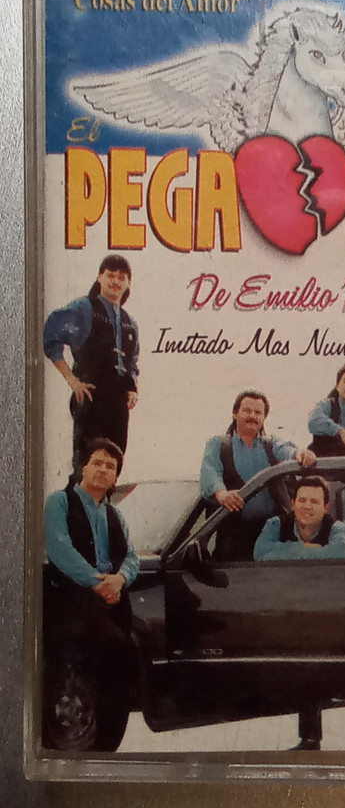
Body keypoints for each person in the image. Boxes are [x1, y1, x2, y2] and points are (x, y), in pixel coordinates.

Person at [43, 438, 139, 749]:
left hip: (110, 604)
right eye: (97, 462)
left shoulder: (114, 514)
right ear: (83, 467)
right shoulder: (59, 502)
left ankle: (106, 747)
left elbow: (132, 557)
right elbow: (59, 549)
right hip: (69, 602)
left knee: (119, 672)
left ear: (115, 477)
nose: (103, 469)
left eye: (111, 466)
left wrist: (120, 579)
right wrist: (97, 583)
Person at [254, 476, 345, 750]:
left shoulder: (336, 528)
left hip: (321, 609)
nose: (308, 506)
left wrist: (286, 552)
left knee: (312, 669)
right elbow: (260, 553)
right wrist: (305, 548)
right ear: (294, 502)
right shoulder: (276, 524)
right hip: (284, 607)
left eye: (315, 501)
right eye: (303, 500)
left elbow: (341, 552)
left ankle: (310, 739)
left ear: (326, 506)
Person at [43, 254, 139, 471]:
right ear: (100, 277)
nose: (115, 281)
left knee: (113, 464)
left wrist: (133, 388)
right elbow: (51, 336)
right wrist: (72, 380)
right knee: (87, 466)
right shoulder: (84, 308)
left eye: (121, 277)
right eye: (110, 275)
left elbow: (132, 362)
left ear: (128, 283)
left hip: (118, 405)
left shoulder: (130, 323)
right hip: (91, 398)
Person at [199, 390, 316, 560]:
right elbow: (210, 472)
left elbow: (287, 450)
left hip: (272, 537)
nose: (252, 416)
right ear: (235, 413)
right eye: (247, 411)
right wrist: (222, 494)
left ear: (264, 417)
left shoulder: (272, 444)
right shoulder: (217, 445)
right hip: (234, 540)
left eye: (257, 412)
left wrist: (300, 454)